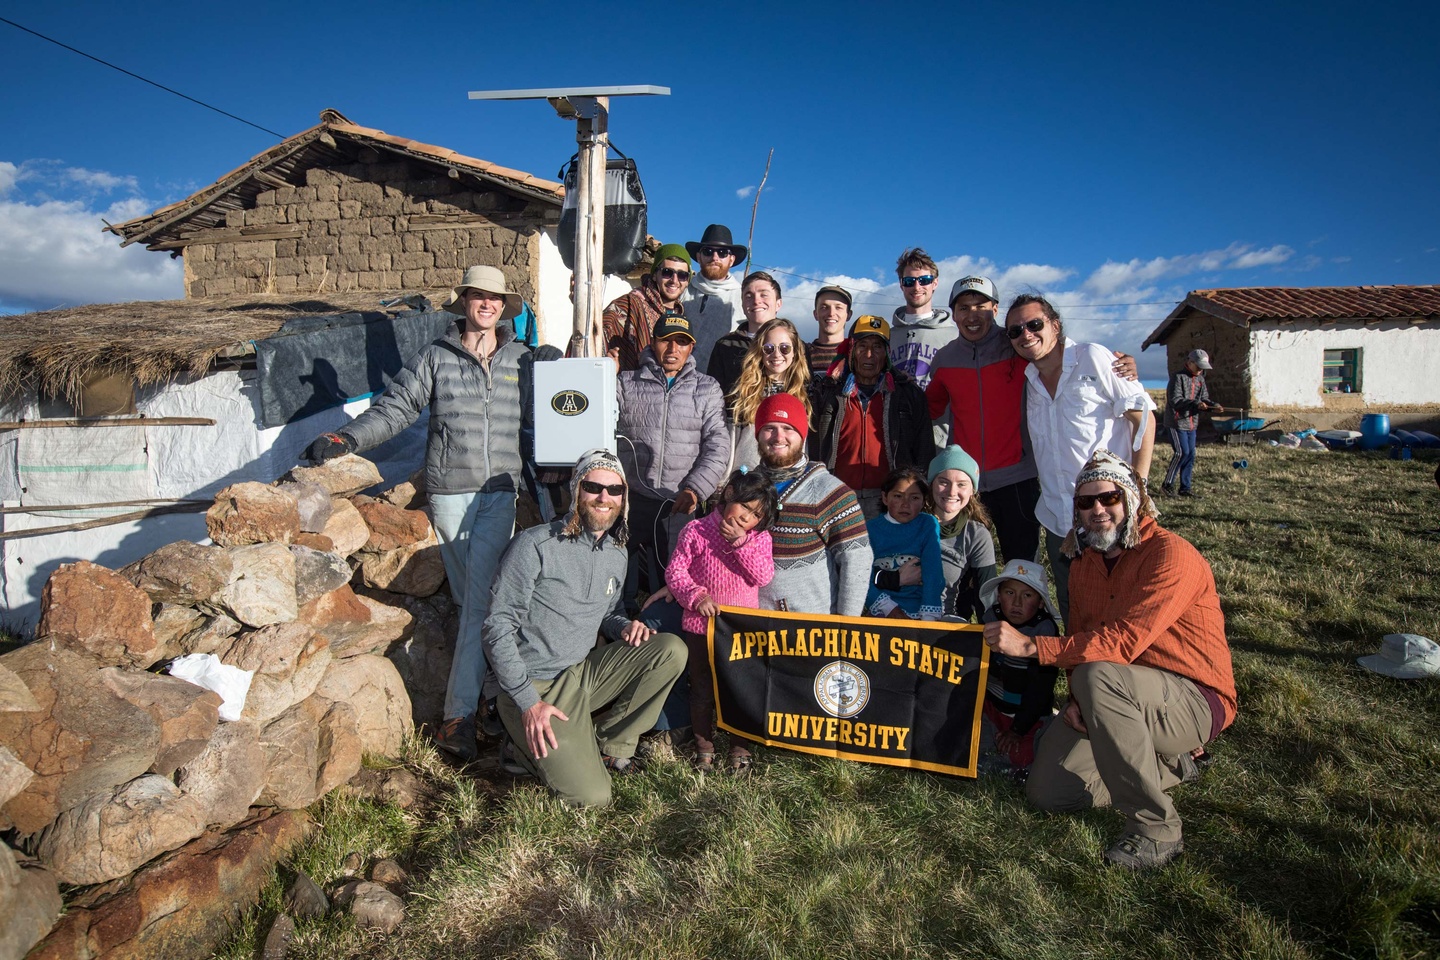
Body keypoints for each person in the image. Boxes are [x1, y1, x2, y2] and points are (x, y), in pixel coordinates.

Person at [303, 264, 530, 763]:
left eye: (494, 298)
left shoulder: (521, 359)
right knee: (480, 602)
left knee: (479, 603)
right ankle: (489, 703)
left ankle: (461, 716)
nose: (486, 304)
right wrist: (348, 438)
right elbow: (397, 408)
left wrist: (560, 372)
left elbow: (549, 416)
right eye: (478, 296)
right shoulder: (436, 357)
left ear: (503, 306)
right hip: (451, 492)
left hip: (501, 493)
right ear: (464, 302)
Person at [983, 450, 1237, 870]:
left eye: (1109, 498)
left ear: (1132, 500)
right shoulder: (1083, 562)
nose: (1097, 510)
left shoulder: (1170, 556)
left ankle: (1156, 828)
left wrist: (1032, 648)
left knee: (1099, 674)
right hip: (1114, 693)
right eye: (1085, 502)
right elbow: (1082, 636)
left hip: (1191, 697)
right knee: (1049, 792)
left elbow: (1121, 644)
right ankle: (1170, 764)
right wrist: (1077, 699)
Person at [483, 449, 688, 808]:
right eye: (594, 487)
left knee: (669, 650)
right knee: (593, 798)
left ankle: (611, 745)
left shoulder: (616, 552)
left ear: (624, 498)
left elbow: (610, 610)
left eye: (615, 490)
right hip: (534, 688)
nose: (604, 498)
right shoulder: (535, 545)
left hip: (581, 675)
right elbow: (496, 628)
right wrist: (529, 703)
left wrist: (626, 627)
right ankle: (520, 743)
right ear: (577, 490)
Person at [926, 276, 1139, 567]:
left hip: (1018, 479)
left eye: (981, 306)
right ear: (954, 313)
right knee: (965, 565)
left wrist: (1120, 365)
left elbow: (1058, 355)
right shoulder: (945, 359)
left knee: (1022, 565)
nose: (972, 315)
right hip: (967, 483)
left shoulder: (1017, 345)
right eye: (964, 307)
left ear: (995, 309)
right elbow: (928, 408)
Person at [1006, 294, 1155, 623]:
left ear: (1055, 325)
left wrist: (1139, 487)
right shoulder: (1028, 380)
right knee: (1075, 607)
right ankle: (1079, 671)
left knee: (1122, 608)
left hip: (1108, 511)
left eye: (1034, 324)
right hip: (1060, 520)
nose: (1025, 334)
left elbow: (1143, 418)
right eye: (1015, 331)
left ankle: (1121, 673)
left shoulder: (1093, 357)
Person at [615, 311, 729, 612]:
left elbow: (717, 444)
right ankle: (615, 632)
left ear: (691, 347)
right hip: (631, 499)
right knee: (615, 576)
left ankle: (667, 641)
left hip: (678, 502)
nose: (673, 349)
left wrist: (695, 489)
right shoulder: (625, 383)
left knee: (676, 583)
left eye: (682, 342)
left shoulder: (707, 388)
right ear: (653, 342)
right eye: (666, 340)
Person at [665, 470, 778, 774]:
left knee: (738, 689)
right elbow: (675, 573)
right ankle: (704, 748)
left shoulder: (759, 539)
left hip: (740, 630)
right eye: (745, 507)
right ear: (729, 494)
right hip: (701, 629)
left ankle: (740, 749)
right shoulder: (696, 531)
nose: (746, 518)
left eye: (755, 515)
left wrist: (741, 545)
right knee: (701, 688)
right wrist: (696, 596)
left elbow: (763, 576)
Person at [751, 393, 872, 616]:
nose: (779, 437)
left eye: (788, 428)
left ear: (803, 435)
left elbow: (857, 560)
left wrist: (847, 626)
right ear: (757, 434)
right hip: (749, 628)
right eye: (770, 428)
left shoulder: (830, 492)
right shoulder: (744, 488)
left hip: (810, 630)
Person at [809, 315, 935, 519]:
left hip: (891, 502)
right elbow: (813, 446)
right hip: (838, 498)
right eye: (862, 346)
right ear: (851, 351)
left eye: (877, 347)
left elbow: (924, 450)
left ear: (887, 354)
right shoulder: (828, 394)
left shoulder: (907, 395)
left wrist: (919, 496)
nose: (869, 354)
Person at [977, 559, 1061, 778]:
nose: (1016, 603)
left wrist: (1017, 730)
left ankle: (1018, 765)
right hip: (992, 707)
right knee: (970, 740)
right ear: (998, 595)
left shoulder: (1044, 631)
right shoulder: (990, 619)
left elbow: (1040, 691)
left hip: (1027, 715)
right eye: (1009, 593)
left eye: (1027, 595)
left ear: (1041, 603)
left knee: (1024, 756)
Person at [719, 318, 812, 478]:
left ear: (795, 351)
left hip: (788, 482)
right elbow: (729, 442)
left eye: (784, 348)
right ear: (759, 351)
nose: (776, 354)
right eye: (768, 348)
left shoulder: (804, 395)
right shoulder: (743, 392)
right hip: (747, 480)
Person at [864, 468, 944, 620]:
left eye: (914, 498)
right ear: (885, 498)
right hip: (882, 611)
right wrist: (890, 610)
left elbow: (933, 572)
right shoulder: (869, 530)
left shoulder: (927, 525)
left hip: (920, 610)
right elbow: (862, 578)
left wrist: (928, 618)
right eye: (898, 496)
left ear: (923, 501)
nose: (905, 504)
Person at [600, 243, 692, 372]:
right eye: (667, 272)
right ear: (654, 275)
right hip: (630, 388)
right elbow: (594, 338)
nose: (674, 280)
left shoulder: (681, 314)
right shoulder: (629, 305)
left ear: (687, 281)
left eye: (682, 275)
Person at [681, 224, 747, 373]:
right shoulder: (682, 289)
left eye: (722, 252)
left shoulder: (742, 298)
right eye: (708, 251)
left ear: (731, 259)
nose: (714, 257)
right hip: (679, 378)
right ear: (699, 257)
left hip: (720, 382)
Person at [708, 271, 784, 397]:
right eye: (749, 296)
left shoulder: (794, 345)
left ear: (778, 304)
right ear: (742, 305)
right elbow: (713, 397)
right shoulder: (725, 346)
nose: (756, 301)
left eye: (764, 295)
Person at [888, 247, 954, 391]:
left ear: (935, 283)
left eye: (924, 280)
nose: (917, 287)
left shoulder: (954, 335)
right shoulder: (887, 336)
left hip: (938, 413)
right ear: (901, 284)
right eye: (909, 281)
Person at [1161, 349, 1224, 498]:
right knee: (1181, 453)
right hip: (1177, 422)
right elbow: (1175, 401)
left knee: (1190, 455)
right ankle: (1167, 485)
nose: (1201, 369)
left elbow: (1204, 398)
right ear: (1190, 362)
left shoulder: (1201, 380)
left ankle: (1185, 488)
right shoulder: (1178, 378)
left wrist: (1213, 406)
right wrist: (1196, 404)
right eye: (1199, 366)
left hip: (1192, 423)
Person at [805, 284, 853, 386]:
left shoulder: (856, 353)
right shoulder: (801, 353)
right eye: (824, 307)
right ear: (815, 314)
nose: (831, 313)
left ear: (849, 315)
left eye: (838, 307)